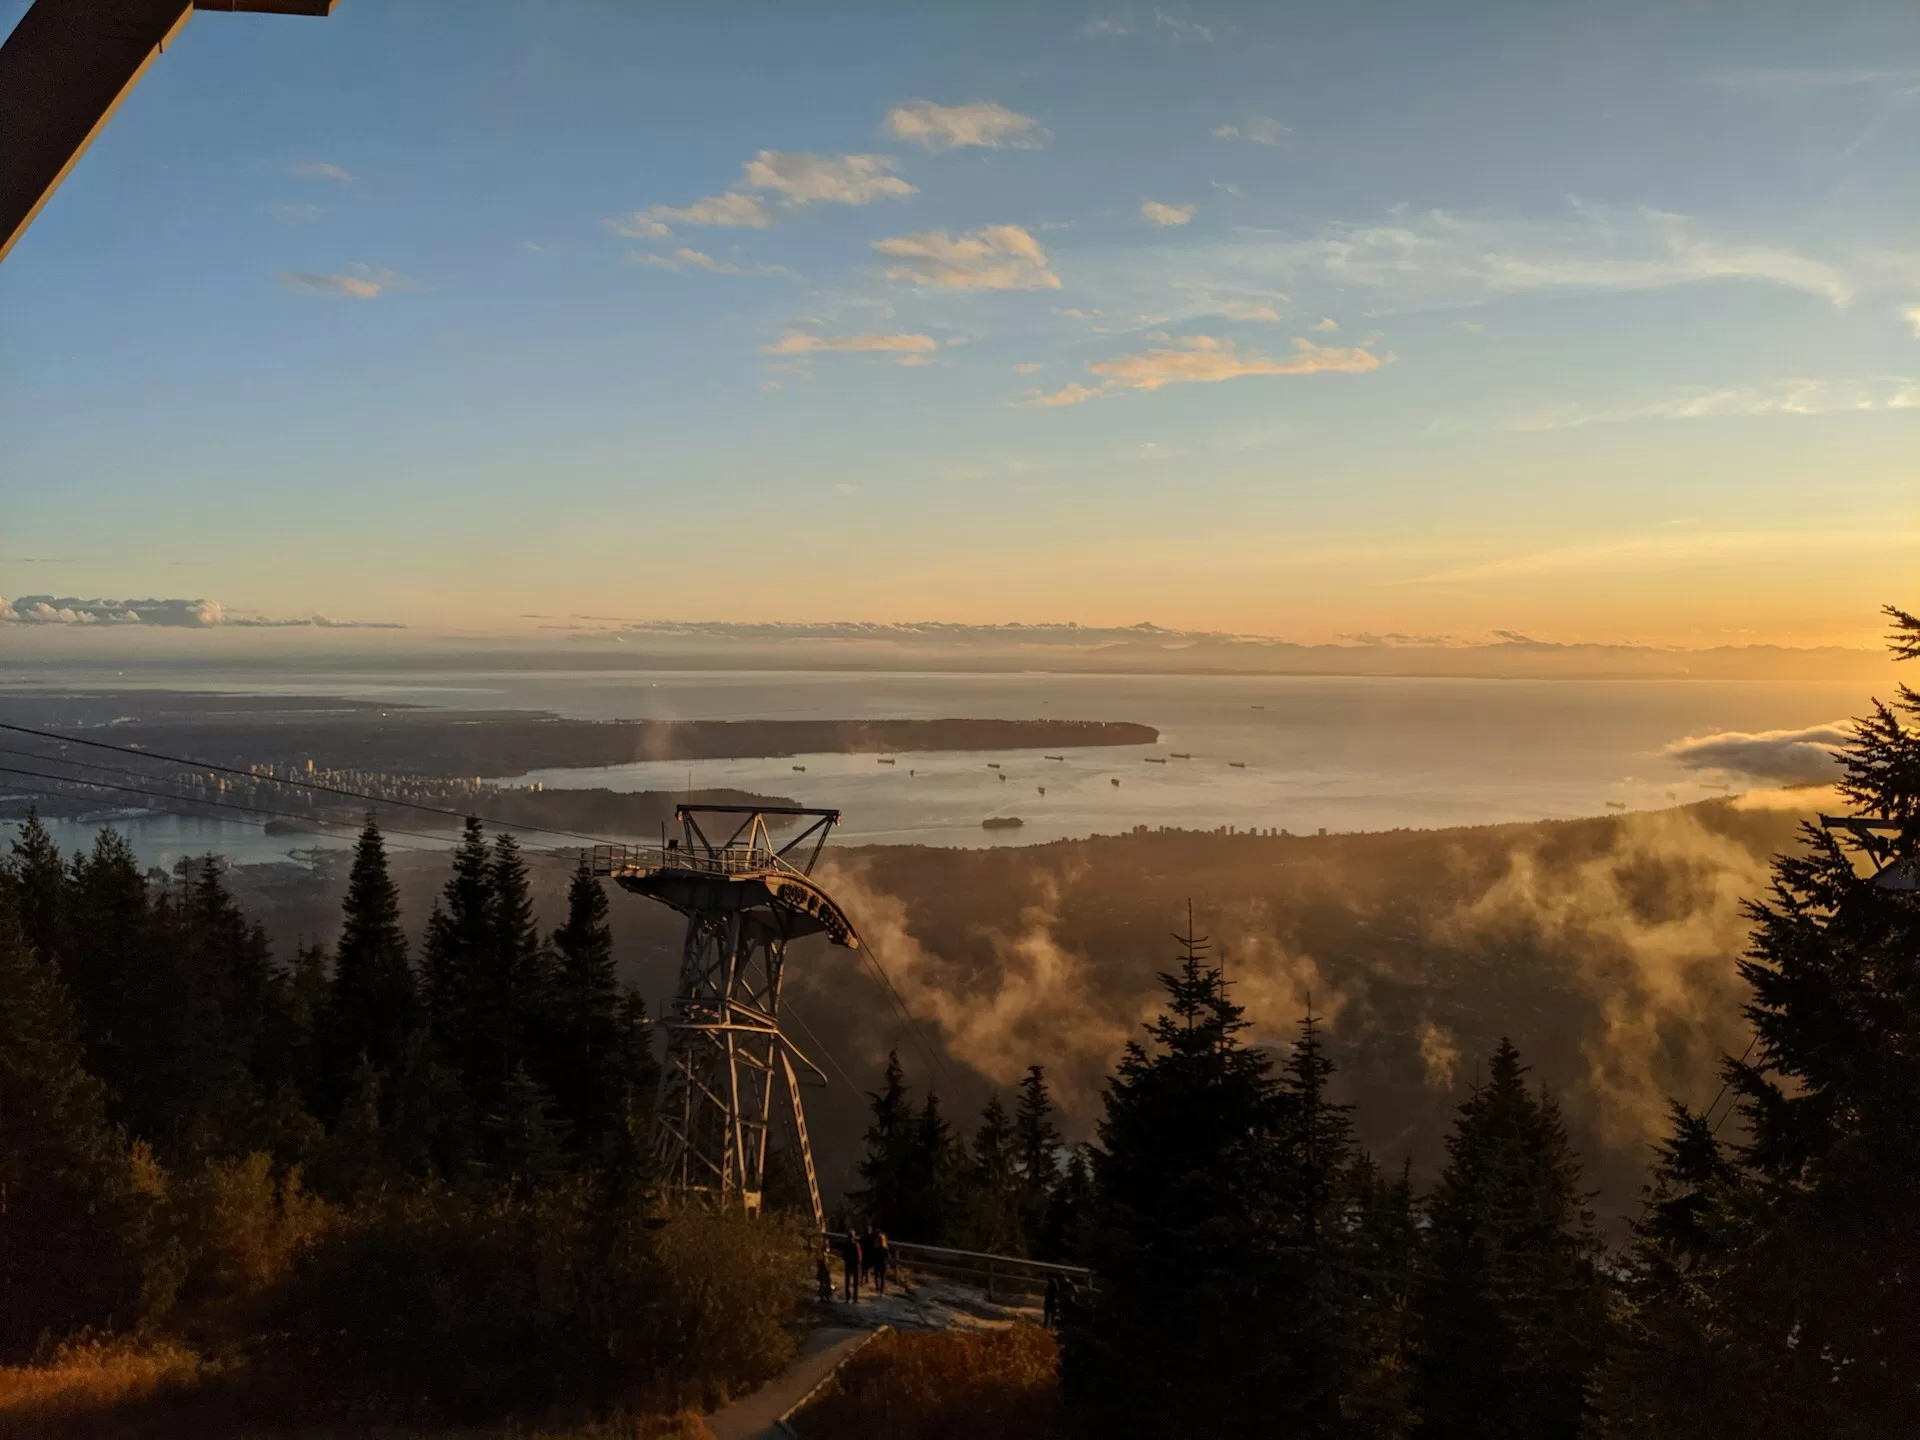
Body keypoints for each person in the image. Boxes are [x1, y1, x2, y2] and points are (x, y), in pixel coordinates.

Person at [841, 1232, 862, 1303]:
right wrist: (858, 1262)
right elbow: (859, 1256)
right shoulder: (856, 1245)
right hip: (854, 1265)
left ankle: (848, 1297)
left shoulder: (846, 1245)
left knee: (848, 1282)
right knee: (854, 1282)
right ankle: (854, 1298)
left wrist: (846, 1260)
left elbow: (843, 1255)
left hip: (849, 1264)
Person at [871, 1230, 891, 1296]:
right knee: (880, 1278)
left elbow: (887, 1257)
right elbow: (888, 1257)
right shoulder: (884, 1248)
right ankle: (879, 1290)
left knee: (880, 1278)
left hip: (881, 1264)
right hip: (880, 1264)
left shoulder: (881, 1248)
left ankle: (879, 1290)